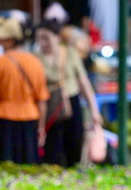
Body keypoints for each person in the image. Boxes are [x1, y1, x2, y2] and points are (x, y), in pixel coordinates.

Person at [0, 18, 49, 166]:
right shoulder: (35, 62)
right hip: (30, 120)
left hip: (3, 121)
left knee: (5, 167)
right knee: (28, 166)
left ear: (11, 40)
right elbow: (42, 100)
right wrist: (41, 127)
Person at [34, 20, 101, 167]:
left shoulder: (70, 52)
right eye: (39, 38)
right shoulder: (36, 57)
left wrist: (94, 110)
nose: (42, 42)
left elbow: (84, 82)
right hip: (49, 107)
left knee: (74, 145)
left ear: (57, 37)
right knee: (52, 149)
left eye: (46, 38)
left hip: (71, 102)